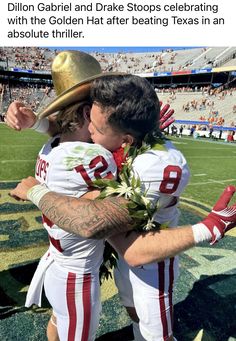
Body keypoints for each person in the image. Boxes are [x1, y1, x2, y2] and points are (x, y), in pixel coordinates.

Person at [6, 57, 236, 341]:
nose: (90, 129)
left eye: (97, 126)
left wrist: (208, 228)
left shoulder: (158, 165)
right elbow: (71, 130)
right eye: (88, 116)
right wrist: (37, 121)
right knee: (130, 311)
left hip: (148, 254)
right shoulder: (100, 142)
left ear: (125, 138)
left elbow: (129, 246)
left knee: (153, 333)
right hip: (96, 255)